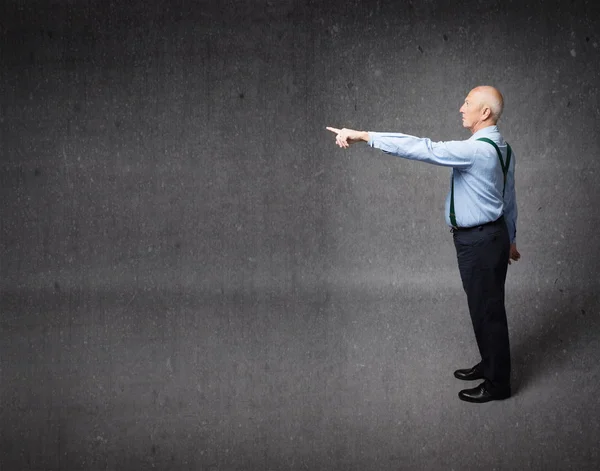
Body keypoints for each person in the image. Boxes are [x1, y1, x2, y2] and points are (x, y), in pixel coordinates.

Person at [326, 86, 520, 403]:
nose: (461, 107)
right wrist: (511, 239)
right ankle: (490, 365)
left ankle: (498, 385)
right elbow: (508, 197)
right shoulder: (504, 149)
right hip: (492, 238)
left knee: (488, 311)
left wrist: (362, 135)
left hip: (480, 241)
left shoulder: (477, 150)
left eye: (467, 103)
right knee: (483, 308)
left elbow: (423, 148)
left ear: (484, 113)